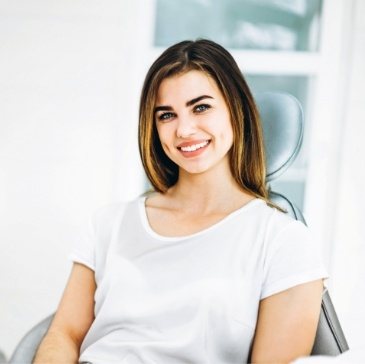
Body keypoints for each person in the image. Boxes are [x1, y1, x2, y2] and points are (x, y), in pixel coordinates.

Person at [33, 39, 328, 364]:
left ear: (236, 109)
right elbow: (64, 335)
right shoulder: (108, 224)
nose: (184, 129)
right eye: (166, 115)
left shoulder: (283, 241)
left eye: (201, 107)